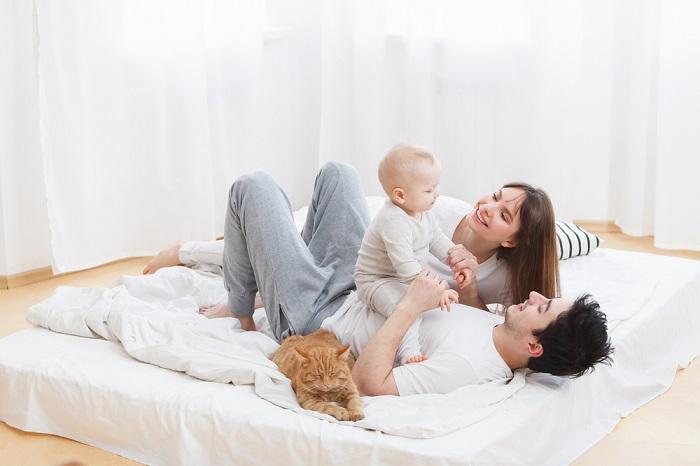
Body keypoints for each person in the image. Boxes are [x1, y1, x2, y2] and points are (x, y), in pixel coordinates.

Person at [143, 171, 560, 317]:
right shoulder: (444, 209)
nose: (487, 207)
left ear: (512, 241)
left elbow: (478, 319)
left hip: (362, 273)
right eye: (494, 197)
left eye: (503, 215)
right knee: (297, 245)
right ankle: (188, 251)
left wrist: (466, 285)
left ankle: (204, 263)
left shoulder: (504, 277)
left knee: (297, 256)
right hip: (366, 227)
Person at [341, 271, 613, 396]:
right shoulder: (499, 328)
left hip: (330, 313)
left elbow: (367, 384)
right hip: (360, 283)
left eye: (542, 307)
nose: (533, 295)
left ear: (533, 347)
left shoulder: (466, 367)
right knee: (341, 176)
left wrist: (409, 306)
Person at [354, 145, 458, 364]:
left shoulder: (421, 211)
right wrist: (437, 291)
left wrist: (454, 257)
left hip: (401, 278)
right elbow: (405, 266)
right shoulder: (394, 221)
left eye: (436, 186)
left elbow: (435, 238)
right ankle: (408, 352)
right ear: (400, 195)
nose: (436, 193)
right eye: (429, 190)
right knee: (408, 307)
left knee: (414, 299)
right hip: (375, 281)